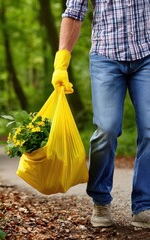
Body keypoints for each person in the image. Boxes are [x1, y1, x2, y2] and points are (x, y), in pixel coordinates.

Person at [51, 0, 150, 228]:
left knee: (149, 130)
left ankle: (144, 205)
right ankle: (101, 200)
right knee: (106, 128)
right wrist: (61, 61)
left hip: (146, 55)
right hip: (106, 57)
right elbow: (74, 13)